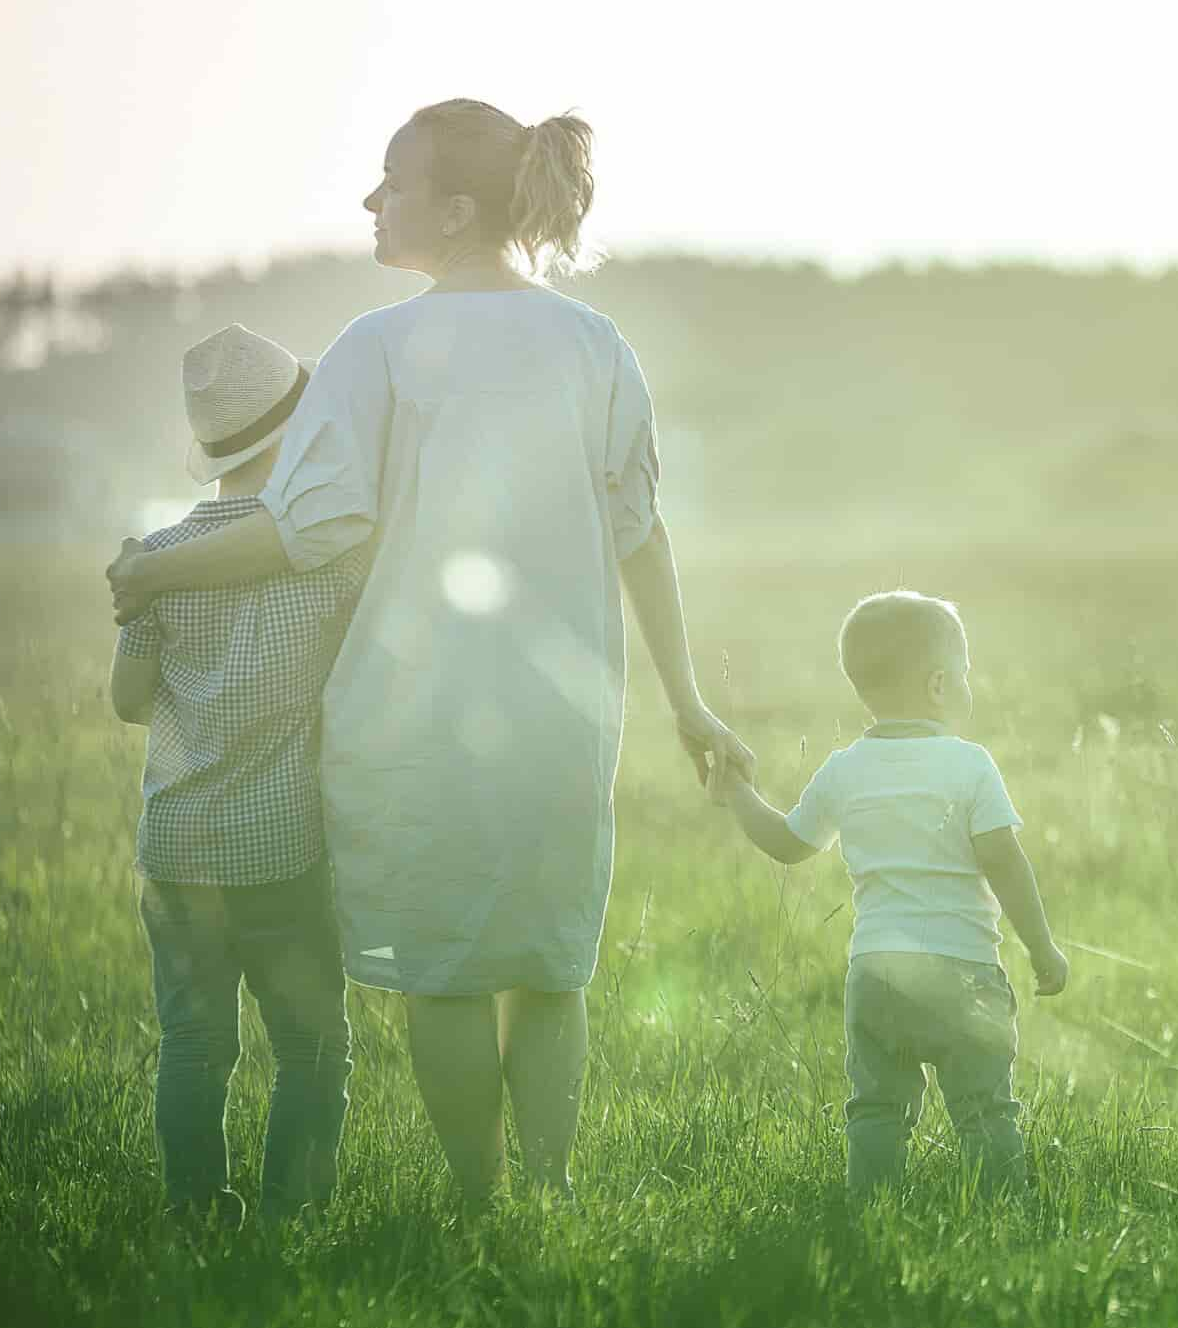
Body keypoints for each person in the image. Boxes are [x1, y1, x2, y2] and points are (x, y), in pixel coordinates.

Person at [107, 100, 751, 1206]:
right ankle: (545, 1203)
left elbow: (304, 527)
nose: (370, 200)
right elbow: (640, 538)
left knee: (448, 973)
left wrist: (153, 570)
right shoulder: (596, 344)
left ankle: (477, 1201)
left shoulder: (379, 346)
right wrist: (689, 701)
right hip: (565, 714)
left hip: (413, 720)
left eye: (390, 183)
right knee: (550, 967)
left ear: (453, 212)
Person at [110, 323, 367, 1227]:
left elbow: (128, 698)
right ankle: (289, 1215)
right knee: (310, 1047)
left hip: (176, 846)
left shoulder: (159, 559)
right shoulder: (325, 553)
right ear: (294, 432)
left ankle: (192, 1210)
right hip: (281, 847)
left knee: (192, 1039)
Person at [716, 590, 1069, 1201]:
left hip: (876, 973)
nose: (967, 686)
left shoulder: (845, 768)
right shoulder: (969, 765)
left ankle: (871, 1214)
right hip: (963, 971)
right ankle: (1003, 1216)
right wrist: (1042, 947)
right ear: (938, 684)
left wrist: (737, 793)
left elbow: (787, 843)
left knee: (878, 1108)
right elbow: (1005, 862)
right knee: (985, 1110)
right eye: (963, 674)